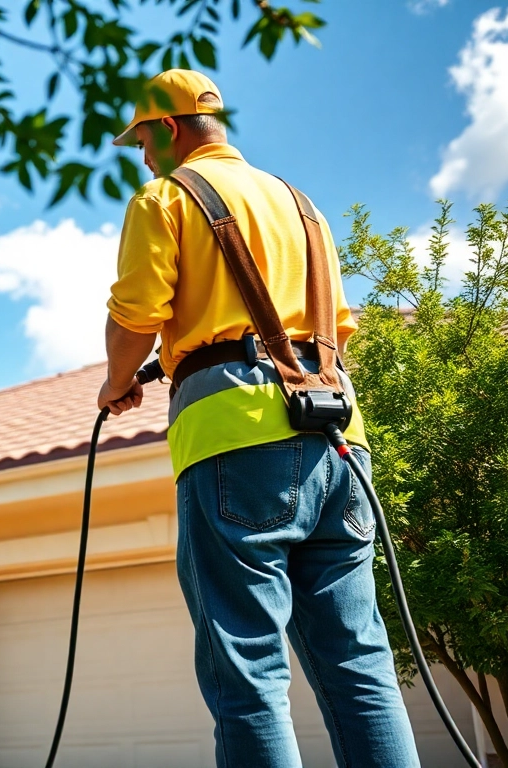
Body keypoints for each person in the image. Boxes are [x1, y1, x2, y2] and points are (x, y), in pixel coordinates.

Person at [96, 69, 420, 768]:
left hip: (235, 436)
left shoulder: (166, 197)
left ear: (171, 129)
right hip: (339, 441)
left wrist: (118, 382)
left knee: (247, 672)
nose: (143, 157)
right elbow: (339, 328)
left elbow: (136, 315)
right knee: (360, 664)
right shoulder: (302, 206)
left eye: (143, 142)